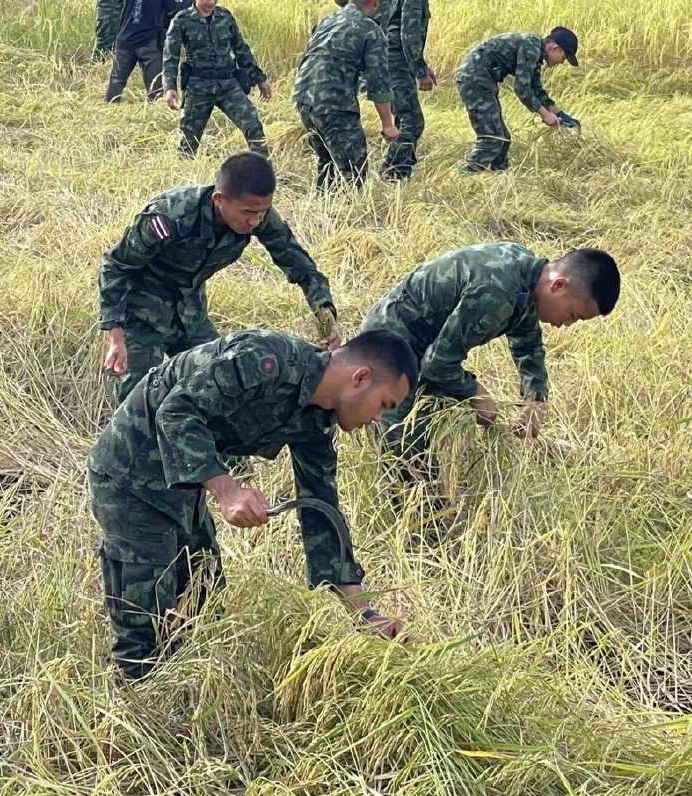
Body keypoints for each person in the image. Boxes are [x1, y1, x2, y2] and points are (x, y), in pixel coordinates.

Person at [87, 327, 418, 680]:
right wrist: (228, 491)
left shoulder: (319, 420)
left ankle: (179, 703)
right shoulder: (267, 361)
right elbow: (176, 412)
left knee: (202, 599)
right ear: (360, 378)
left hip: (182, 482)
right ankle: (132, 711)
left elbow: (322, 512)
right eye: (385, 404)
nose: (379, 418)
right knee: (145, 623)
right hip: (128, 470)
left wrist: (365, 615)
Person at [359, 244, 620, 482]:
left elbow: (527, 344)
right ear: (559, 285)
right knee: (408, 456)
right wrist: (475, 393)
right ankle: (421, 528)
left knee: (428, 431)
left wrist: (535, 399)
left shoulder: (528, 277)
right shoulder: (497, 291)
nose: (567, 324)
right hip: (389, 347)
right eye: (574, 315)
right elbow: (438, 364)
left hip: (419, 345)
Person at [99, 152, 344, 402]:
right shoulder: (171, 216)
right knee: (137, 403)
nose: (255, 221)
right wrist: (116, 337)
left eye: (262, 212)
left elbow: (300, 264)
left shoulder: (259, 215)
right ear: (219, 199)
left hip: (191, 314)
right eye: (248, 212)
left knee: (222, 383)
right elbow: (116, 265)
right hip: (142, 316)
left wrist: (324, 311)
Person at [293, 0, 399, 192]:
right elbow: (378, 82)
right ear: (376, 3)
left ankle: (322, 213)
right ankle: (351, 216)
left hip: (303, 98)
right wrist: (388, 124)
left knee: (328, 162)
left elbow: (307, 58)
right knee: (354, 172)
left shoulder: (327, 21)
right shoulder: (371, 30)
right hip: (335, 104)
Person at [455, 27, 579, 173]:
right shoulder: (531, 48)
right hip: (474, 80)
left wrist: (560, 115)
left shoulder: (536, 51)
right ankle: (464, 176)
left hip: (481, 81)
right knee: (493, 139)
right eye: (564, 58)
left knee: (503, 139)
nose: (562, 62)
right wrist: (545, 115)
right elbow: (522, 89)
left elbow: (536, 89)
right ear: (554, 48)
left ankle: (501, 179)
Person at [339, 0, 433, 182]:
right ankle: (393, 173)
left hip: (385, 59)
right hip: (395, 63)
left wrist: (422, 65)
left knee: (404, 118)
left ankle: (395, 171)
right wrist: (420, 72)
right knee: (412, 122)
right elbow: (408, 34)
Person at [163, 0, 271, 158]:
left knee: (253, 124)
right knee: (189, 139)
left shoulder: (225, 17)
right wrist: (170, 88)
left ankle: (263, 170)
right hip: (198, 86)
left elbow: (241, 49)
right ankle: (183, 174)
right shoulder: (182, 20)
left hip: (228, 84)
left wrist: (259, 79)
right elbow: (170, 57)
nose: (211, 1)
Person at [104, 0, 190, 103]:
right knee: (156, 89)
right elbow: (173, 9)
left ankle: (109, 107)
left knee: (117, 80)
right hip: (149, 41)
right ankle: (154, 113)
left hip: (125, 39)